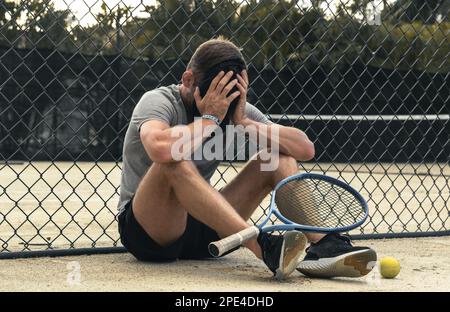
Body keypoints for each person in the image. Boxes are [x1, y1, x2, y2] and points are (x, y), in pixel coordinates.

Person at [117, 37, 376, 279]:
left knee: (276, 158)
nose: (223, 106)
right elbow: (159, 149)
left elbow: (304, 149)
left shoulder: (232, 108)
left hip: (207, 230)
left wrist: (242, 121)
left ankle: (324, 245)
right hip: (149, 230)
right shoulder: (158, 101)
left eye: (231, 97)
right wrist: (209, 120)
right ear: (188, 80)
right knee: (173, 160)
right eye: (215, 95)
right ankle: (263, 247)